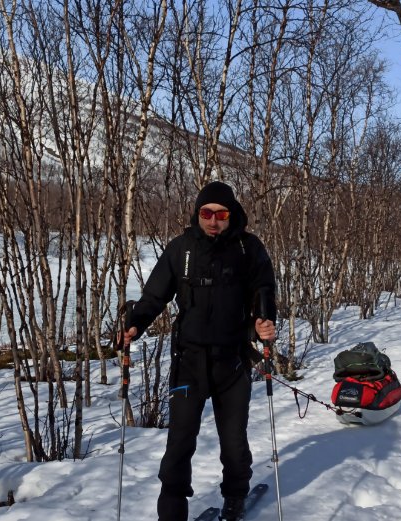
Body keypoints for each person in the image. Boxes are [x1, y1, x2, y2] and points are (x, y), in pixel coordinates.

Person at [123, 180, 277, 521]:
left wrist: (263, 325)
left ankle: (235, 498)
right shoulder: (181, 249)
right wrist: (136, 324)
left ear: (231, 214)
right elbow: (153, 297)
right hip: (189, 362)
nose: (213, 220)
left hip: (232, 362)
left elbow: (263, 293)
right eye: (206, 213)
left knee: (234, 445)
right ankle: (172, 512)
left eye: (220, 214)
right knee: (179, 445)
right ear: (197, 214)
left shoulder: (248, 249)